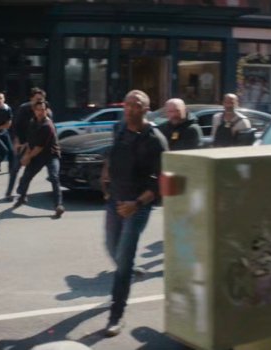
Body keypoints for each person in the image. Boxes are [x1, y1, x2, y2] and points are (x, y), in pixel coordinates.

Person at [100, 90, 168, 337]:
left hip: (137, 205)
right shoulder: (119, 128)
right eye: (127, 104)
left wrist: (137, 204)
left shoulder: (156, 140)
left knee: (123, 261)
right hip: (114, 200)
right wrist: (105, 178)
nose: (129, 108)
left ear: (146, 109)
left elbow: (160, 182)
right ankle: (129, 271)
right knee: (111, 246)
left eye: (136, 105)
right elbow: (112, 153)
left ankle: (115, 316)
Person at [12, 101, 64, 219]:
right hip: (38, 154)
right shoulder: (33, 122)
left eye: (42, 110)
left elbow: (39, 147)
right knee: (26, 176)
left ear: (46, 111)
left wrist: (28, 157)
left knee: (54, 177)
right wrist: (25, 150)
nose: (40, 112)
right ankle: (22, 197)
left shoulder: (47, 126)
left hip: (51, 154)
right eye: (38, 110)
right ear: (34, 111)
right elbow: (31, 141)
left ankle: (58, 206)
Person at [7, 87, 48, 199]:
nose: (39, 102)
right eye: (37, 99)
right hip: (22, 143)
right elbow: (15, 126)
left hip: (35, 145)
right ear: (31, 99)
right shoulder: (23, 109)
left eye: (41, 99)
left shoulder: (45, 110)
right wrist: (16, 141)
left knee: (29, 172)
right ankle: (9, 192)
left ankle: (22, 193)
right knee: (15, 168)